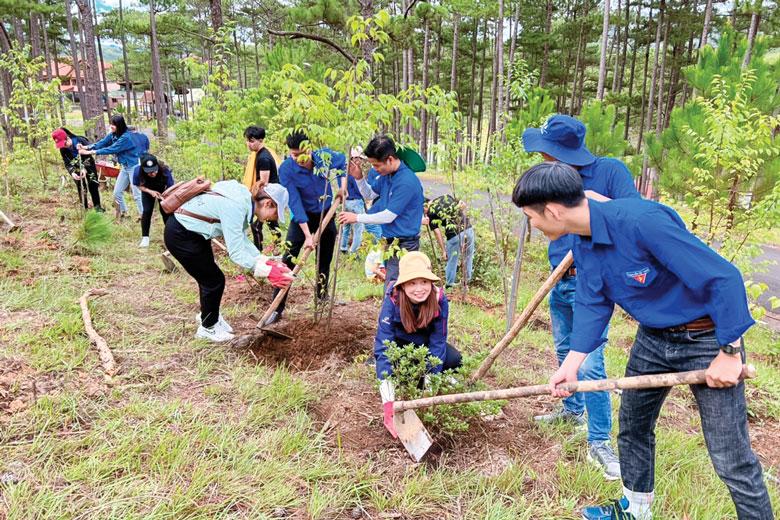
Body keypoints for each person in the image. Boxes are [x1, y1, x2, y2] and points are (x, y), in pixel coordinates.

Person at [512, 162, 773, 520]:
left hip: (707, 337)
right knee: (633, 427)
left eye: (530, 216)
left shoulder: (641, 222)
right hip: (653, 338)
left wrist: (729, 351)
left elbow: (724, 277)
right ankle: (635, 510)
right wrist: (571, 364)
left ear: (554, 211)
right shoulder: (581, 238)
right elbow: (592, 299)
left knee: (730, 454)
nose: (532, 224)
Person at [522, 114, 641, 480]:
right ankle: (571, 409)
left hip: (594, 283)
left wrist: (592, 206)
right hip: (560, 279)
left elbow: (634, 215)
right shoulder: (549, 178)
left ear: (560, 152)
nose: (542, 158)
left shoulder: (610, 171)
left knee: (590, 364)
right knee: (564, 351)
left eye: (546, 152)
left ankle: (600, 441)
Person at [164, 181, 294, 342]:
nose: (271, 220)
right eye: (275, 214)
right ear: (268, 204)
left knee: (209, 277)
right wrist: (267, 272)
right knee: (213, 280)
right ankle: (207, 328)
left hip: (195, 233)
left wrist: (266, 261)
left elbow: (241, 239)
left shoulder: (243, 201)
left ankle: (211, 315)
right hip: (181, 234)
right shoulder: (236, 207)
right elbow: (237, 252)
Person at [261, 130, 347, 326]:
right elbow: (295, 202)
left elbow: (343, 161)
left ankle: (322, 296)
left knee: (324, 259)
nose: (299, 158)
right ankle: (277, 308)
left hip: (326, 213)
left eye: (302, 153)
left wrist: (342, 185)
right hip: (301, 219)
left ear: (310, 148)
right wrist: (307, 235)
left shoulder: (323, 157)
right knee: (287, 261)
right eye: (294, 154)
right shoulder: (286, 169)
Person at [375, 252, 463, 421]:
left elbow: (438, 341)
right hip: (401, 348)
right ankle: (410, 377)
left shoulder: (439, 299)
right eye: (412, 283)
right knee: (395, 368)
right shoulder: (393, 299)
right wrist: (388, 403)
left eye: (424, 282)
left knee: (454, 360)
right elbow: (384, 345)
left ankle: (425, 379)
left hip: (425, 346)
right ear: (403, 285)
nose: (419, 289)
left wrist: (428, 392)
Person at [338, 135, 424, 294]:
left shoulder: (406, 181)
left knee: (394, 291)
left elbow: (388, 216)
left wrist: (357, 217)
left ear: (390, 159)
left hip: (405, 245)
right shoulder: (388, 175)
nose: (375, 169)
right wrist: (359, 178)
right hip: (392, 242)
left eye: (377, 165)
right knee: (396, 291)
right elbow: (370, 194)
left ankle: (394, 318)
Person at [78, 114, 143, 219]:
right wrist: (86, 146)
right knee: (117, 192)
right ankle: (124, 213)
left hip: (134, 166)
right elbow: (102, 143)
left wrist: (90, 152)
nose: (111, 126)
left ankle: (142, 215)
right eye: (111, 123)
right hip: (125, 166)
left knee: (136, 193)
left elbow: (112, 149)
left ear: (119, 125)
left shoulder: (126, 137)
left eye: (113, 124)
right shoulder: (113, 134)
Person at [242, 126, 281, 251]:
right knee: (272, 224)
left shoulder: (263, 158)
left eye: (252, 141)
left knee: (256, 225)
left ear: (261, 140)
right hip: (271, 197)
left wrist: (257, 202)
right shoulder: (259, 155)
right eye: (247, 140)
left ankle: (258, 252)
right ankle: (278, 248)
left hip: (268, 197)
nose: (249, 144)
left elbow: (264, 184)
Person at [423, 195, 474, 288]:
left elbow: (437, 233)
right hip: (468, 228)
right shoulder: (445, 197)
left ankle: (449, 285)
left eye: (423, 211)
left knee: (452, 260)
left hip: (454, 234)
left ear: (425, 206)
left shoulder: (430, 213)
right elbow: (462, 204)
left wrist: (444, 251)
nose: (424, 214)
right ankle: (466, 282)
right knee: (468, 256)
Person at [52, 128, 103, 212]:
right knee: (81, 188)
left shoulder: (81, 141)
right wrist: (72, 172)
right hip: (76, 168)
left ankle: (98, 208)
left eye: (64, 143)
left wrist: (84, 168)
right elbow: (67, 162)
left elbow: (89, 155)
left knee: (93, 185)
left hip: (89, 165)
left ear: (67, 138)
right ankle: (85, 210)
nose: (64, 146)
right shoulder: (63, 149)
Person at [132, 153, 174, 248]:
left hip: (164, 191)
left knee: (165, 212)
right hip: (148, 190)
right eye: (149, 172)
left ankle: (170, 237)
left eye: (154, 171)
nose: (153, 173)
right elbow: (138, 185)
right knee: (146, 211)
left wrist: (164, 195)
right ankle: (145, 237)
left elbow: (172, 187)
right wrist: (150, 192)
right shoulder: (137, 171)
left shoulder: (165, 170)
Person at [339, 149, 367, 255]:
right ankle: (354, 253)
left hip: (346, 202)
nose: (361, 161)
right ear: (354, 158)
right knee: (358, 230)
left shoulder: (343, 170)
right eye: (359, 159)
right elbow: (359, 188)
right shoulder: (353, 172)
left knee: (346, 227)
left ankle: (343, 247)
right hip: (355, 202)